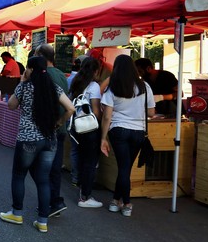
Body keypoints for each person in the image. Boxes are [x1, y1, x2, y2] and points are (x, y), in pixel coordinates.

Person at [0, 56, 74, 233]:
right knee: (43, 180)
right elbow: (71, 108)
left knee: (19, 175)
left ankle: (17, 213)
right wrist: (58, 122)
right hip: (49, 139)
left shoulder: (25, 87)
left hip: (27, 139)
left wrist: (22, 81)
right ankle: (42, 221)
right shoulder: (53, 87)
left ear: (30, 69)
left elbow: (11, 106)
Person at [100, 55, 155, 217]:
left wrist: (103, 138)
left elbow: (107, 117)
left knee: (123, 168)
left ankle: (125, 202)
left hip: (118, 131)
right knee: (126, 168)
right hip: (139, 132)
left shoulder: (113, 88)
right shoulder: (145, 86)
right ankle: (117, 201)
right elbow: (151, 112)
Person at [36, 44, 70, 218]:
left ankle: (52, 201)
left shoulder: (44, 75)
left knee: (44, 168)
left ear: (41, 57)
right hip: (60, 128)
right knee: (54, 168)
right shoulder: (61, 74)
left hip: (49, 128)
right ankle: (53, 201)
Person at [68, 57, 103, 208]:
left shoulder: (76, 82)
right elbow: (96, 110)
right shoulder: (94, 86)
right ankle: (85, 196)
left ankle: (81, 187)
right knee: (90, 162)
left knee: (82, 158)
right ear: (95, 71)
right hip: (90, 129)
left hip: (77, 127)